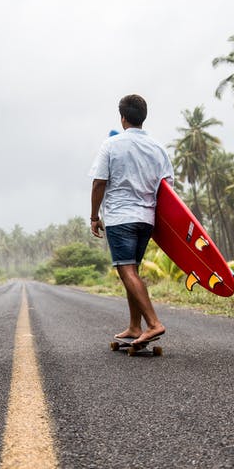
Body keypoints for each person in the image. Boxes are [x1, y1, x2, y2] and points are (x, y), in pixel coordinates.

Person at [90, 94, 174, 346]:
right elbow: (167, 189)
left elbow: (99, 182)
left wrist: (94, 216)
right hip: (147, 219)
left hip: (120, 217)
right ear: (142, 118)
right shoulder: (158, 148)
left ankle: (153, 323)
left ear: (123, 118)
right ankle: (135, 326)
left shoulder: (112, 145)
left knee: (126, 270)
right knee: (133, 270)